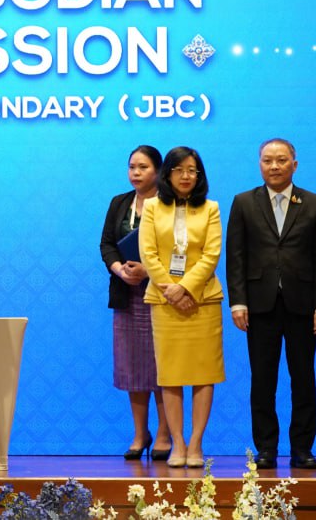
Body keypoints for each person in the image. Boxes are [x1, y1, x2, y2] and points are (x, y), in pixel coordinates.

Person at [225, 138, 316, 470]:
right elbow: (236, 257)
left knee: (304, 378)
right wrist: (238, 302)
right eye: (268, 160)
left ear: (294, 165)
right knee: (262, 380)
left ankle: (302, 448)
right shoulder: (244, 202)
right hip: (259, 306)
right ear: (259, 164)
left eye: (281, 160)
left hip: (303, 305)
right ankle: (266, 449)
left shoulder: (314, 203)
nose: (274, 166)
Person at [138, 145, 224, 469]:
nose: (186, 176)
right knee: (170, 374)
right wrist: (172, 290)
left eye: (192, 170)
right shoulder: (152, 207)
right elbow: (148, 253)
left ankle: (197, 442)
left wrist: (186, 287)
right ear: (168, 173)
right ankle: (178, 442)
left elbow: (211, 254)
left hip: (203, 300)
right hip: (164, 301)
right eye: (179, 170)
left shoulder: (211, 208)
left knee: (204, 373)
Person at [99, 145, 171, 461]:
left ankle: (166, 433)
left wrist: (149, 272)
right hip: (127, 295)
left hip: (162, 295)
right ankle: (141, 433)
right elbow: (106, 244)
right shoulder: (120, 203)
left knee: (162, 367)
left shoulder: (170, 204)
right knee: (133, 368)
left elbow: (179, 251)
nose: (136, 173)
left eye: (143, 167)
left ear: (158, 170)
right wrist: (120, 270)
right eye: (132, 167)